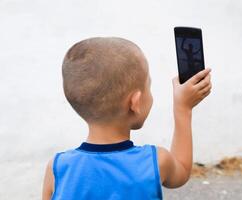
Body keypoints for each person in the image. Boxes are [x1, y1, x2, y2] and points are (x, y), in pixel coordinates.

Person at [42, 37, 212, 200]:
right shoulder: (155, 162)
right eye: (148, 87)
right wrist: (183, 108)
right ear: (135, 103)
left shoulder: (57, 168)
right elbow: (181, 170)